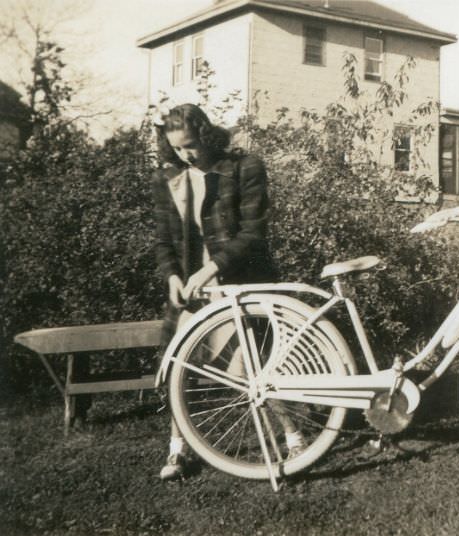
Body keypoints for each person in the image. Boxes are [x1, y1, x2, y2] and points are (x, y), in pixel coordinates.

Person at [151, 103, 304, 480]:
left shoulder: (243, 167)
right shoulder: (169, 178)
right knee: (179, 367)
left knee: (253, 364)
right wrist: (172, 275)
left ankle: (295, 437)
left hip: (238, 279)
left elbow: (253, 235)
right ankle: (178, 451)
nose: (186, 154)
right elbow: (163, 241)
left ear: (205, 135)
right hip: (191, 287)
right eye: (177, 149)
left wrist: (210, 269)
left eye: (190, 145)